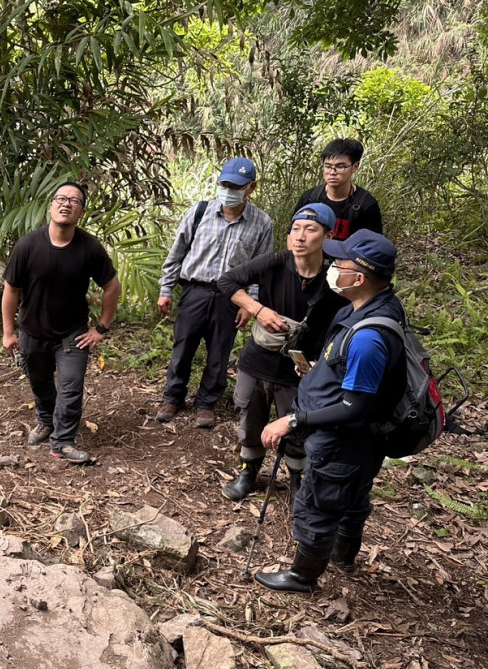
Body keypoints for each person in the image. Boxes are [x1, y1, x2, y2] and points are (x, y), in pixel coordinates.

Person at [255, 230, 404, 593]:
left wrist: (292, 419)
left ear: (360, 277)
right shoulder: (369, 308)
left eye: (341, 263)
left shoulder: (370, 336)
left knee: (319, 504)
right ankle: (344, 557)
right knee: (352, 497)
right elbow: (349, 373)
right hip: (361, 443)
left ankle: (303, 576)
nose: (333, 266)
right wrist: (319, 371)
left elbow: (354, 407)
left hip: (344, 441)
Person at [218, 203, 347, 500]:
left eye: (310, 230)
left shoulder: (336, 277)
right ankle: (249, 472)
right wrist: (258, 309)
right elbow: (227, 281)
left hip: (302, 367)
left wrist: (324, 361)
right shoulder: (274, 262)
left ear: (327, 236)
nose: (300, 237)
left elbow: (345, 323)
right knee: (251, 419)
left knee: (297, 423)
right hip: (259, 359)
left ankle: (297, 478)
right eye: (295, 229)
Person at [1, 182, 121, 464]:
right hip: (32, 332)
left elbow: (112, 287)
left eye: (74, 201)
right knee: (40, 383)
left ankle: (63, 441)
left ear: (81, 211)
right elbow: (11, 290)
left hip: (72, 334)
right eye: (61, 198)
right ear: (51, 205)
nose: (66, 204)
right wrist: (8, 332)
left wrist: (101, 327)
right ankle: (46, 421)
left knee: (71, 386)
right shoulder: (28, 246)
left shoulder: (89, 248)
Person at [156, 158, 274, 429]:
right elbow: (177, 254)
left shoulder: (261, 223)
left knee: (219, 352)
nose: (229, 190)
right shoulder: (199, 212)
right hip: (195, 291)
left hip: (231, 298)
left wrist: (250, 304)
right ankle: (173, 398)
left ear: (251, 188)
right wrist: (166, 290)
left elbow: (260, 268)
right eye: (224, 184)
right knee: (183, 348)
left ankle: (206, 404)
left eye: (236, 186)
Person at [293, 138, 382, 240]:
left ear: (355, 167)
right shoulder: (310, 198)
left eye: (340, 166)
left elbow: (373, 246)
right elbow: (292, 233)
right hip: (312, 255)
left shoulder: (366, 205)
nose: (332, 172)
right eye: (328, 166)